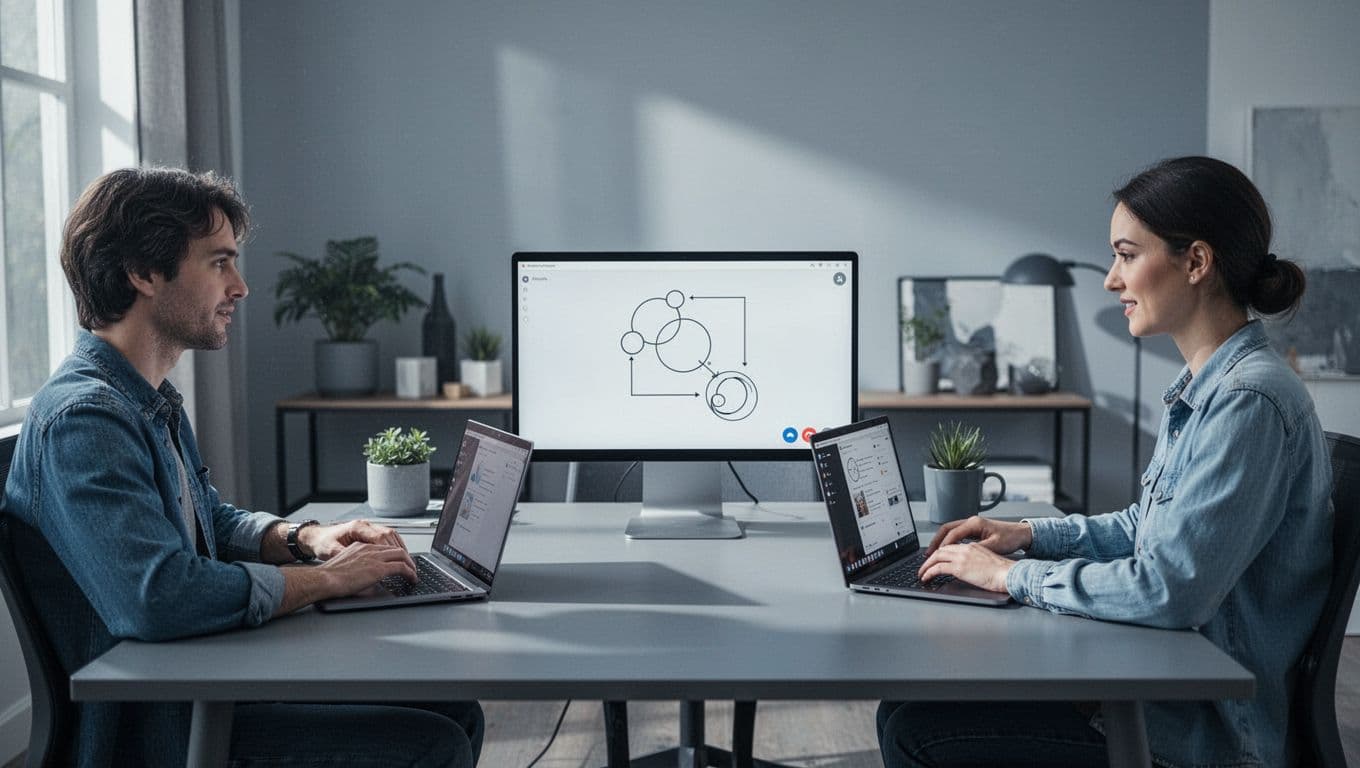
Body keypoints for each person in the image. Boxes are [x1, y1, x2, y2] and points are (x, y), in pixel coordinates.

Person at [0, 167, 483, 767]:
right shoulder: (85, 420)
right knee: (429, 745)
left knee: (454, 708)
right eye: (219, 263)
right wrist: (328, 581)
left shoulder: (145, 399)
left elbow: (208, 523)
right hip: (158, 727)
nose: (241, 287)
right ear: (143, 273)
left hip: (196, 679)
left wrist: (305, 540)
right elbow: (157, 596)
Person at [877, 156, 1332, 768]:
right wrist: (1028, 534)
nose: (1111, 280)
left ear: (1196, 262)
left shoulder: (1247, 400)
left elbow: (1170, 589)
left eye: (1126, 254)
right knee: (902, 708)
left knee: (918, 731)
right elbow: (1148, 530)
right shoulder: (1212, 386)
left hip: (1205, 738)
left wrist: (1008, 577)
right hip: (1168, 699)